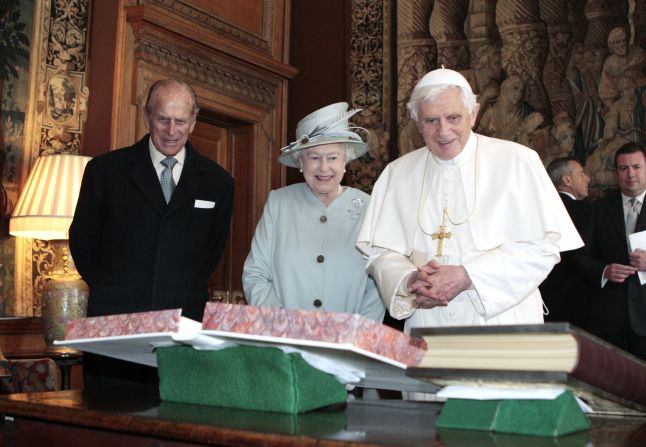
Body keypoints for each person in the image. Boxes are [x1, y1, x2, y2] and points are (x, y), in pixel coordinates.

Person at [356, 68, 582, 336]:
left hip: (503, 326)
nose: (443, 131)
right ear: (417, 124)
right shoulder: (397, 173)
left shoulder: (518, 161)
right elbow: (380, 252)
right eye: (430, 121)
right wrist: (410, 280)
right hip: (428, 325)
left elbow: (544, 249)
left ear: (473, 114)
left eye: (453, 117)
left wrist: (467, 276)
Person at [69, 79, 234, 389]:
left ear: (194, 121)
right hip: (114, 331)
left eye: (181, 120)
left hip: (183, 333)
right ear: (146, 117)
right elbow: (83, 242)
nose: (172, 130)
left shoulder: (218, 182)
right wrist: (116, 289)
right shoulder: (104, 172)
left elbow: (212, 253)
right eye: (163, 119)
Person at [242, 102, 384, 322]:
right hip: (286, 340)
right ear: (300, 162)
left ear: (346, 161)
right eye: (314, 157)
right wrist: (281, 324)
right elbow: (256, 273)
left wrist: (358, 332)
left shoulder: (368, 207)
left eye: (333, 157)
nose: (324, 168)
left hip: (346, 343)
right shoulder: (278, 203)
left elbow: (378, 281)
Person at [573, 142, 646, 360]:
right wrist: (604, 271)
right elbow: (579, 256)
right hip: (610, 319)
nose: (630, 174)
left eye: (636, 167)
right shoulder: (597, 209)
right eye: (623, 168)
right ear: (616, 173)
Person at [539, 157, 593, 329]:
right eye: (582, 173)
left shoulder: (539, 208)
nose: (588, 178)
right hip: (578, 300)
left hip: (545, 299)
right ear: (567, 180)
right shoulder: (584, 210)